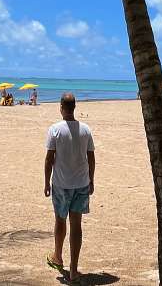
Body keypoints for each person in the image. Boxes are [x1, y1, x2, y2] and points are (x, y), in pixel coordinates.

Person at [44, 93, 95, 283]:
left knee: (60, 221)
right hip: (81, 183)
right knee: (76, 225)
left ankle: (58, 256)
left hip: (61, 184)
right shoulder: (85, 130)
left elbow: (49, 158)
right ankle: (73, 270)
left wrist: (46, 182)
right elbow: (91, 158)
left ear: (61, 107)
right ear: (74, 107)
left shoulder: (55, 130)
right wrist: (92, 180)